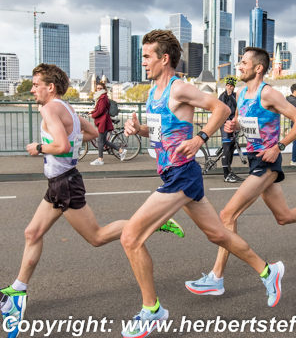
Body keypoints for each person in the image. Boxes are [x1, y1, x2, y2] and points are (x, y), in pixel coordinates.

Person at [0, 64, 183, 338]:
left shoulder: (51, 108)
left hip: (64, 184)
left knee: (96, 237)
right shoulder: (67, 108)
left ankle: (154, 222)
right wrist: (69, 144)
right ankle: (18, 289)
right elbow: (92, 133)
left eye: (37, 84)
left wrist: (38, 148)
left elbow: (61, 146)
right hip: (60, 182)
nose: (33, 88)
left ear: (51, 87)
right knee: (32, 232)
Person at [120, 31, 283, 338]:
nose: (142, 62)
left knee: (130, 237)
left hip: (181, 175)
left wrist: (200, 137)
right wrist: (138, 128)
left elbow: (220, 110)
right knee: (218, 233)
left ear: (163, 58)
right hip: (173, 173)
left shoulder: (178, 87)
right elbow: (160, 135)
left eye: (146, 56)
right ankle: (268, 270)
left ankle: (152, 310)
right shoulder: (153, 93)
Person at [185, 47, 296, 299]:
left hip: (267, 162)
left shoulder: (269, 94)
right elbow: (247, 121)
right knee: (284, 216)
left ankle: (218, 278)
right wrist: (234, 124)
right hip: (255, 160)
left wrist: (280, 147)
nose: (239, 67)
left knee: (227, 214)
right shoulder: (243, 94)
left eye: (243, 63)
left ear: (258, 68)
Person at [89, 81, 126, 165]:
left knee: (100, 141)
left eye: (100, 88)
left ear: (103, 89)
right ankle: (121, 151)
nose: (99, 89)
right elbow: (98, 109)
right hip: (104, 121)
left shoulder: (102, 98)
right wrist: (91, 112)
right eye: (97, 88)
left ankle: (100, 159)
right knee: (104, 141)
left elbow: (100, 111)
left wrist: (92, 115)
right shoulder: (101, 97)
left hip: (103, 122)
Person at [219, 76, 244, 183]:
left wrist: (231, 97)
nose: (229, 88)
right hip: (224, 124)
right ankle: (225, 174)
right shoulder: (222, 96)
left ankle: (230, 171)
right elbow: (221, 108)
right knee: (226, 147)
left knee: (232, 148)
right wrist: (227, 96)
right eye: (228, 86)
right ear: (225, 86)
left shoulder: (235, 96)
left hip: (233, 124)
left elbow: (238, 106)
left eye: (231, 86)